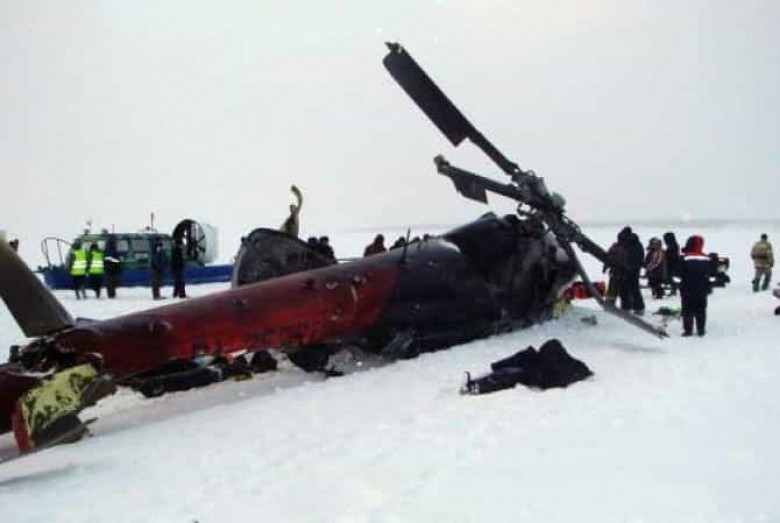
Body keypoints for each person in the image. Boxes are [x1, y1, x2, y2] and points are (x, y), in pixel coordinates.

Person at [680, 235, 712, 337]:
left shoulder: (685, 258)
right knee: (701, 310)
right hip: (702, 290)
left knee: (687, 310)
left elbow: (679, 272)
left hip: (687, 288)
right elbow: (710, 273)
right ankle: (701, 330)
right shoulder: (707, 258)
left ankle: (688, 330)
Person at [663, 232, 681, 296]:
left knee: (671, 277)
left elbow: (672, 255)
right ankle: (673, 289)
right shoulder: (673, 245)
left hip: (672, 264)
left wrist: (666, 255)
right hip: (672, 263)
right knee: (671, 277)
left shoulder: (672, 246)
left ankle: (673, 290)